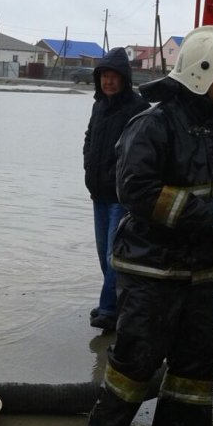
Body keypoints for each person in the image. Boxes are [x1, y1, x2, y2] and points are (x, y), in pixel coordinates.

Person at [82, 25, 213, 426]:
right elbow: (138, 191)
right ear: (204, 74)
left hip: (199, 270)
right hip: (150, 267)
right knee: (137, 358)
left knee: (195, 366)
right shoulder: (151, 124)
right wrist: (212, 217)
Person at [82, 47, 149, 332]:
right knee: (103, 254)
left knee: (115, 255)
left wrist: (120, 178)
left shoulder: (138, 109)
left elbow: (142, 151)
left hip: (121, 197)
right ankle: (119, 303)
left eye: (113, 77)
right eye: (104, 76)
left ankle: (109, 308)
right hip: (98, 194)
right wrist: (88, 164)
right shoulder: (99, 106)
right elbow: (89, 138)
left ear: (124, 79)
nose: (108, 82)